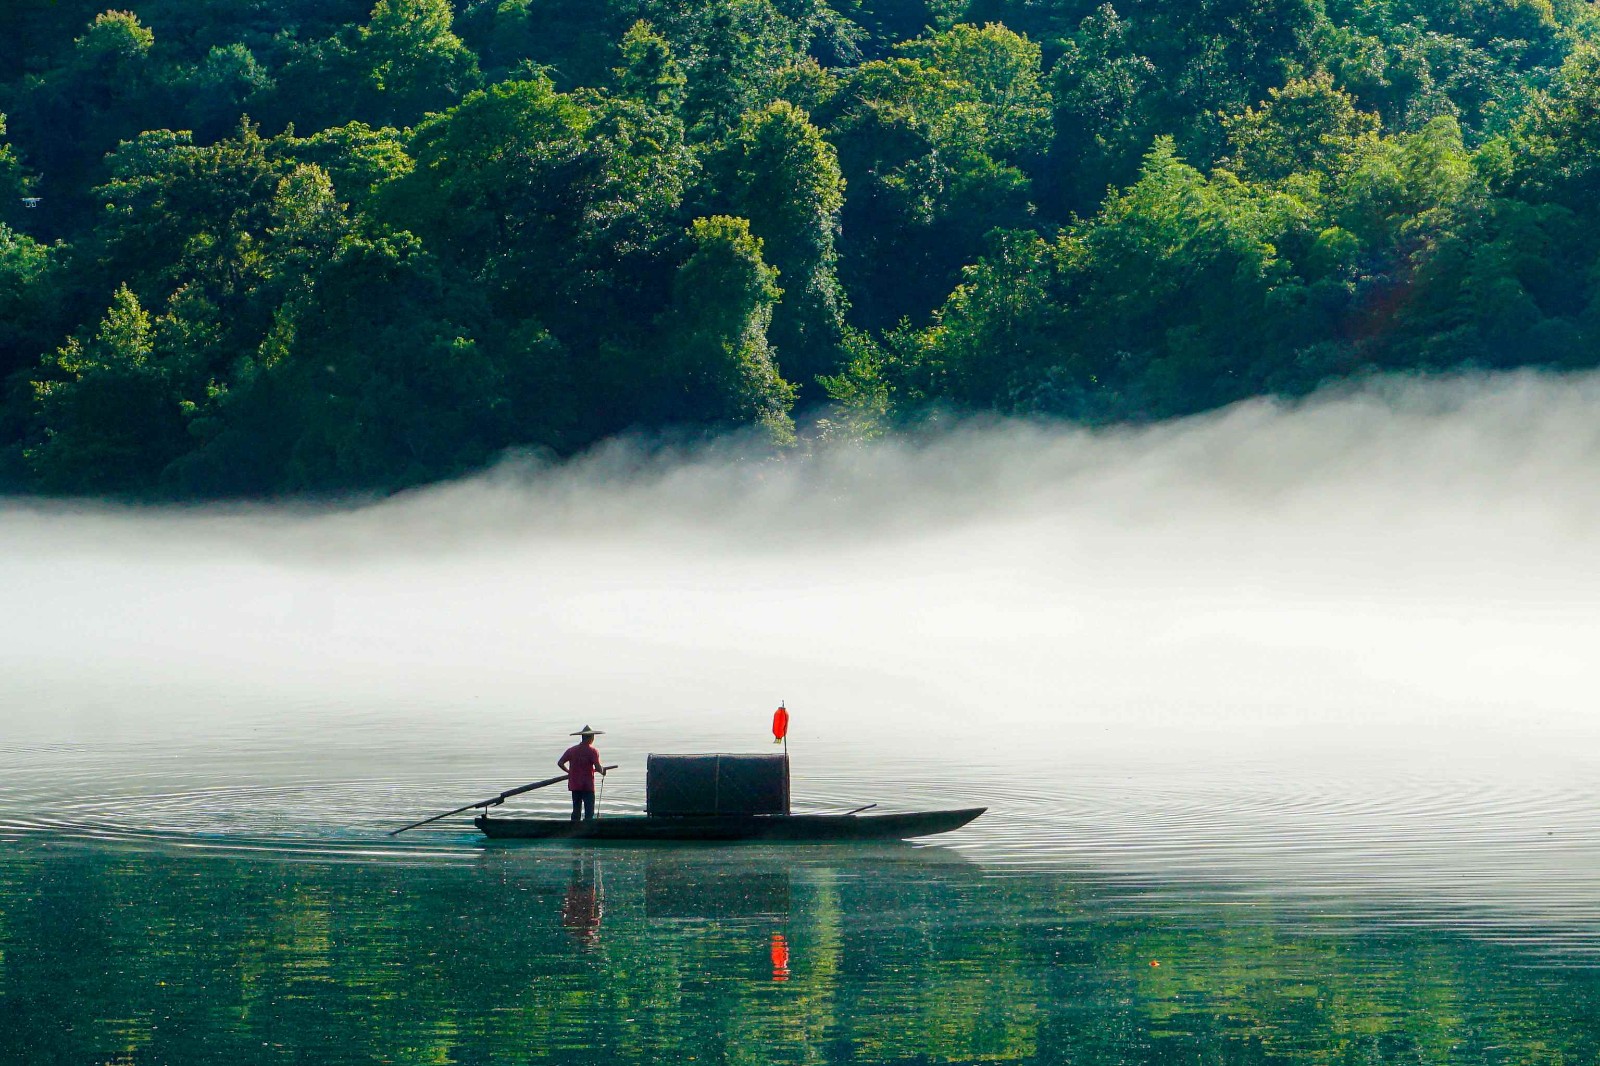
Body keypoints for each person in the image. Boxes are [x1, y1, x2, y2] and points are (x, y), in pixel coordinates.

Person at [558, 726, 606, 821]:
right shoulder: (592, 751)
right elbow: (597, 767)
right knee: (589, 811)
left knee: (576, 810)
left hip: (575, 784)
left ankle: (574, 828)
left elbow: (560, 763)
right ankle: (587, 828)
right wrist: (602, 771)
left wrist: (569, 772)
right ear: (591, 738)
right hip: (587, 785)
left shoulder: (571, 750)